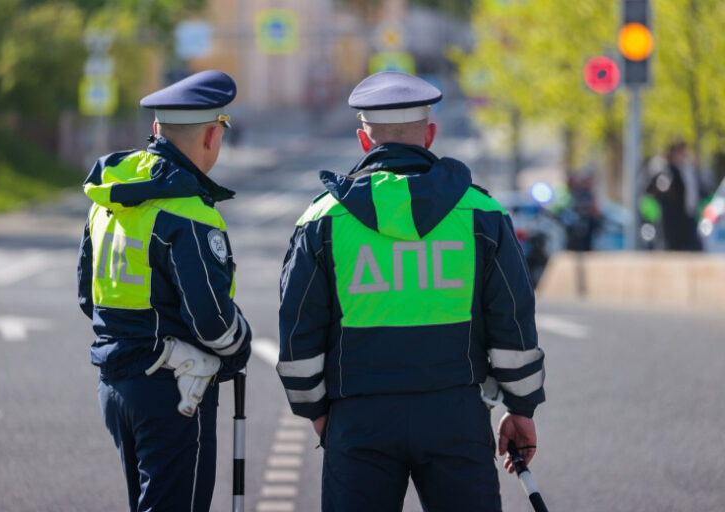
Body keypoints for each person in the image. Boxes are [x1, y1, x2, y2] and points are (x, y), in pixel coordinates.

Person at [276, 71, 545, 511]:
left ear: (365, 141)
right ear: (431, 135)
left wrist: (318, 412)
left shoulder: (321, 221)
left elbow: (297, 332)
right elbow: (513, 321)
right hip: (455, 413)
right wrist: (521, 407)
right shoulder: (482, 214)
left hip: (358, 417)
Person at [77, 70, 251, 512]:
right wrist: (241, 345)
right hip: (174, 392)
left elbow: (88, 297)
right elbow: (211, 321)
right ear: (212, 136)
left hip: (116, 384)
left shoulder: (110, 197)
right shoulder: (187, 213)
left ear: (156, 130)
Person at [646, 140, 705, 251]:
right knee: (673, 240)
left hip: (689, 210)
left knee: (688, 240)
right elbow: (661, 185)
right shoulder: (667, 168)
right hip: (674, 212)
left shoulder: (687, 167)